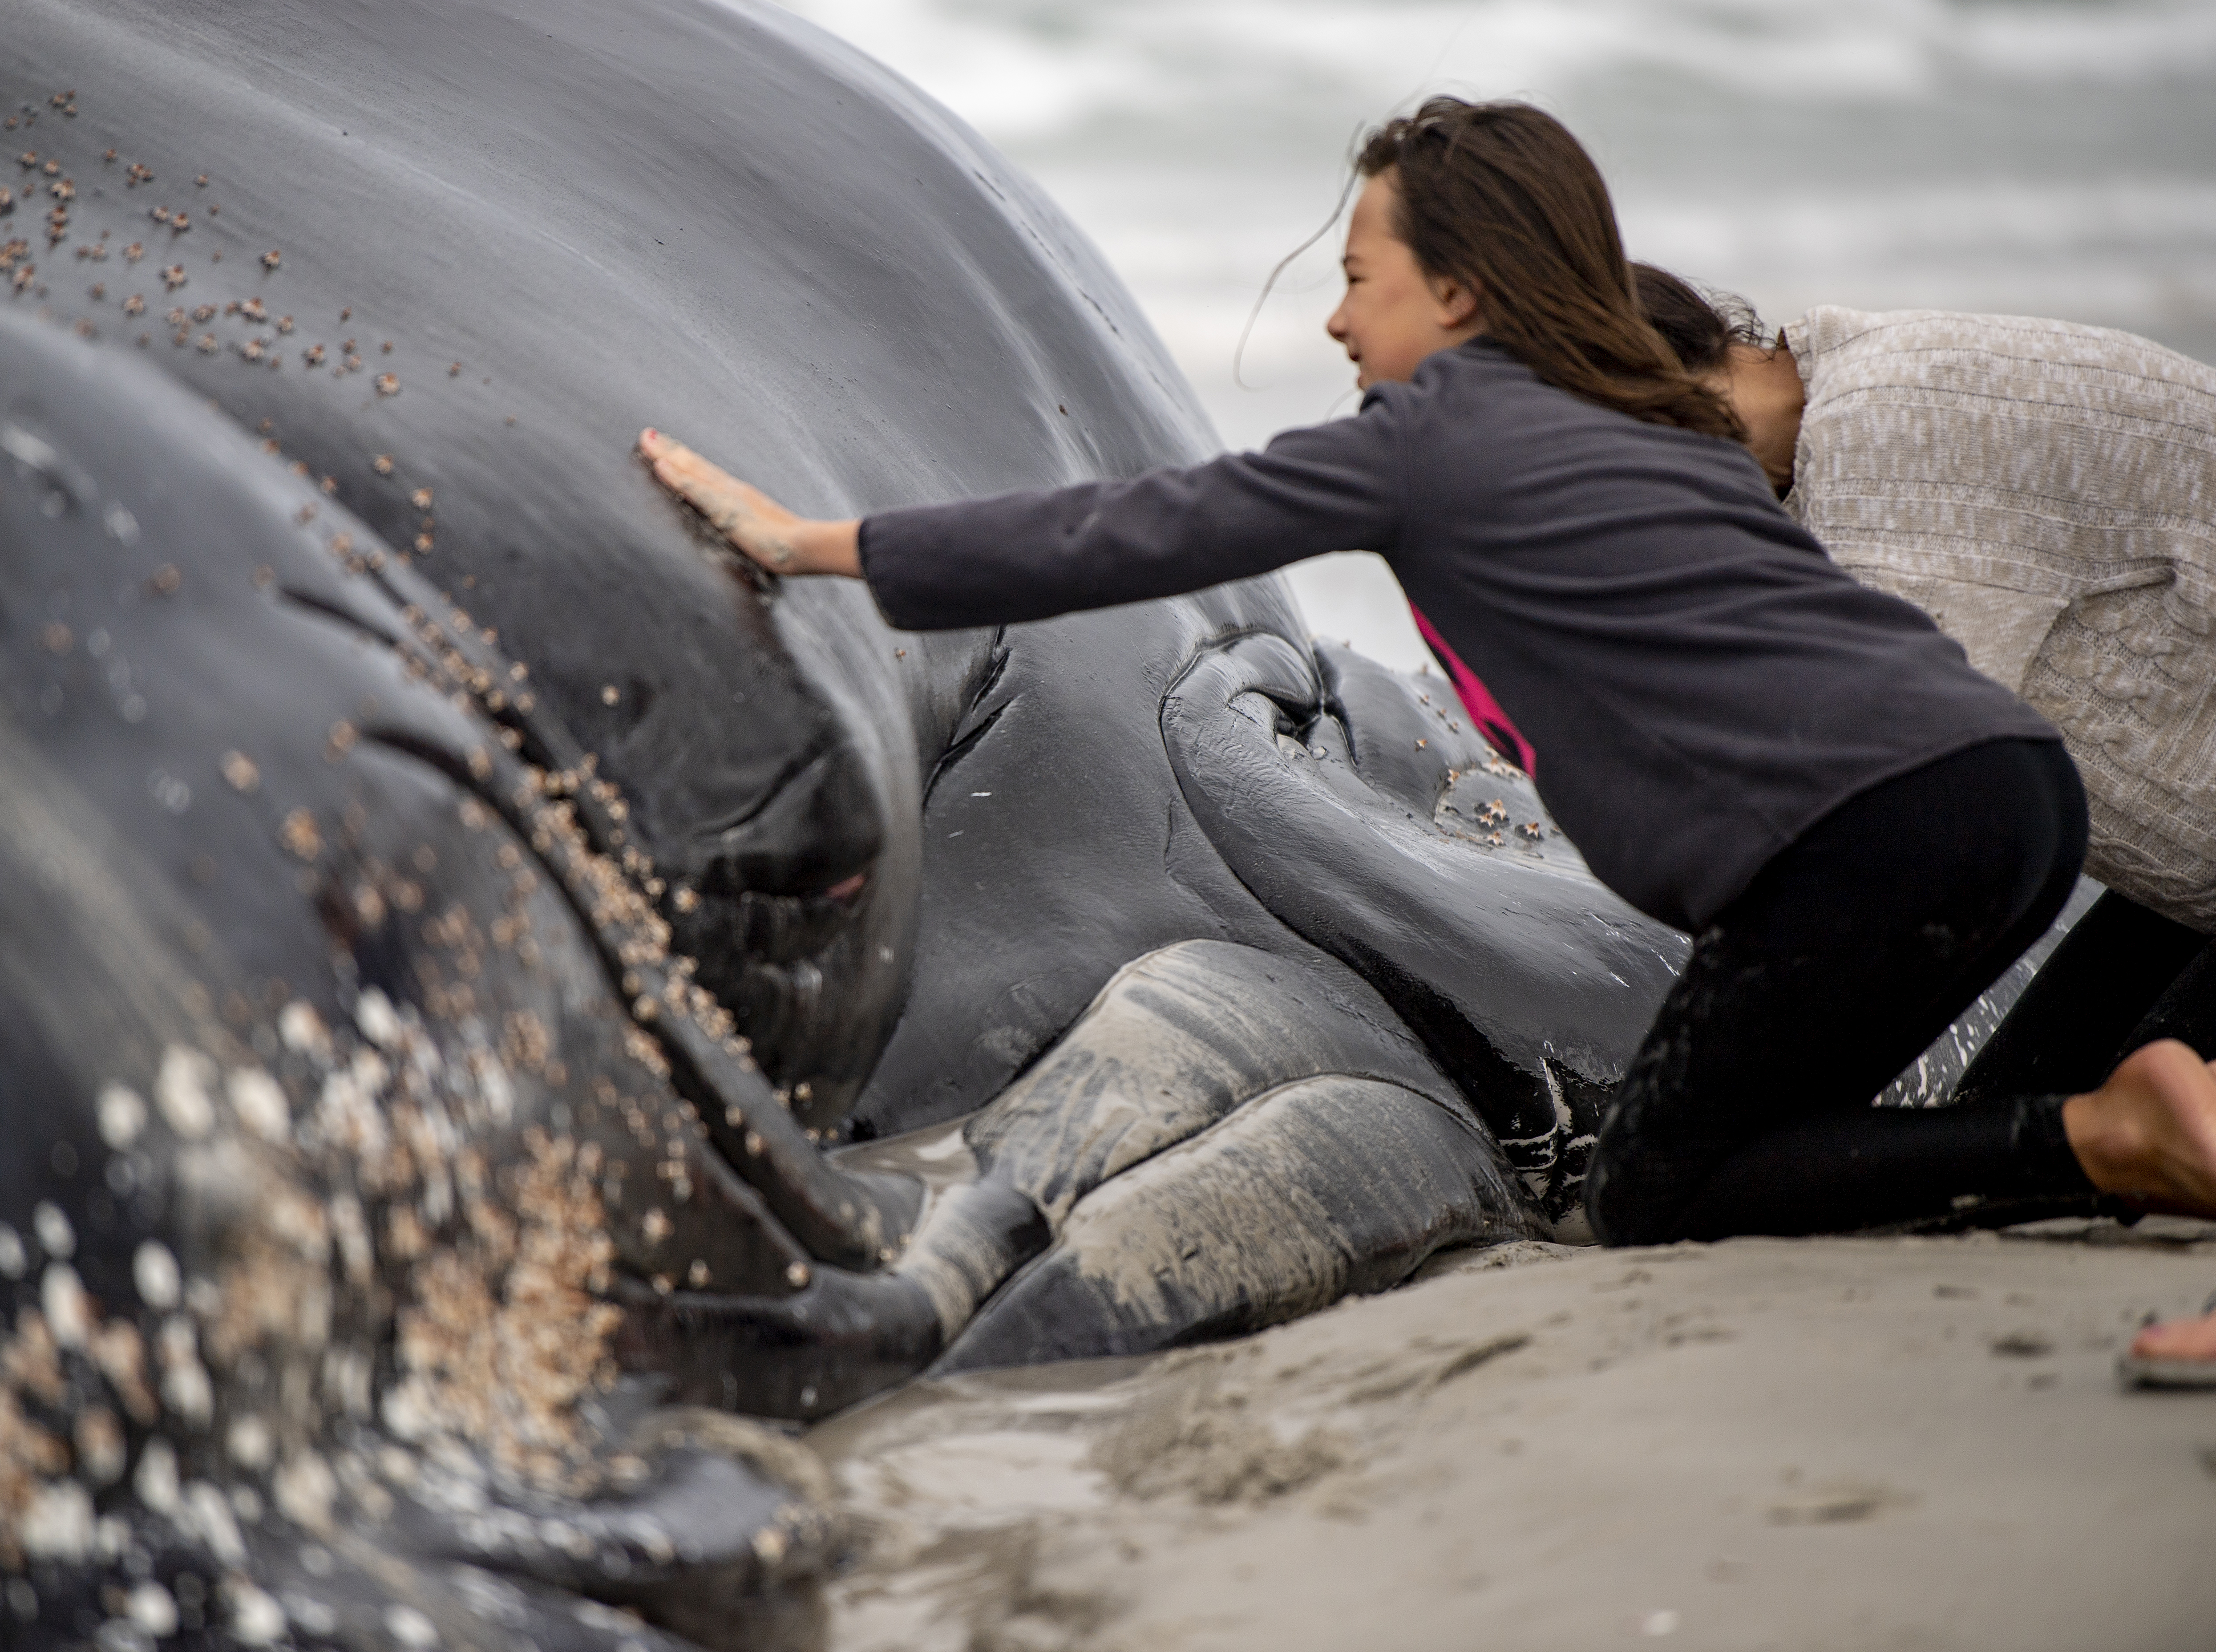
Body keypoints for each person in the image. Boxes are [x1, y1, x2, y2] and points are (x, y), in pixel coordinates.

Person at [635, 95, 2216, 1255]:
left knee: (1659, 1191)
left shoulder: (1437, 438)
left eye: (1360, 276)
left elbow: (1122, 531)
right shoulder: (1658, 436)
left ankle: (2102, 1132)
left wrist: (817, 541)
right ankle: (2110, 1128)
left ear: (1457, 295)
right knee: (1845, 1138)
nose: (1331, 316)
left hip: (1892, 822)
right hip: (2012, 799)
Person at [1637, 263, 2216, 1383]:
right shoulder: (1838, 406)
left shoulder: (1878, 455)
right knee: (2015, 1139)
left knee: (2031, 1151)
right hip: (2190, 896)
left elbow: (1900, 830)